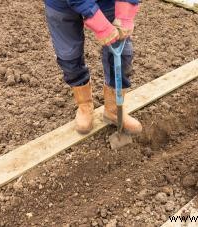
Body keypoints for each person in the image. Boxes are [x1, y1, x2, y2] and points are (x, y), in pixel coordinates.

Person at [44, 0, 142, 134]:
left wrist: (126, 13)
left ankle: (113, 110)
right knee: (69, 56)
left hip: (106, 2)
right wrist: (101, 26)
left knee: (123, 53)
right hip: (61, 5)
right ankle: (84, 106)